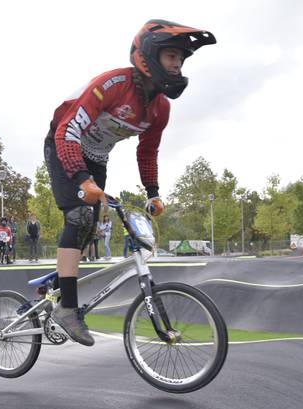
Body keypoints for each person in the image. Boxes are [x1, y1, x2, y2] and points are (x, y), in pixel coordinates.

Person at [44, 20, 214, 346]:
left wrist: (153, 193)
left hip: (96, 158)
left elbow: (147, 152)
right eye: (171, 55)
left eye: (181, 57)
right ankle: (67, 308)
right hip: (63, 143)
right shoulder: (112, 85)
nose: (177, 63)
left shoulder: (160, 109)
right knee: (79, 216)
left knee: (91, 224)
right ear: (148, 56)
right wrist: (82, 179)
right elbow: (68, 131)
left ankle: (56, 284)